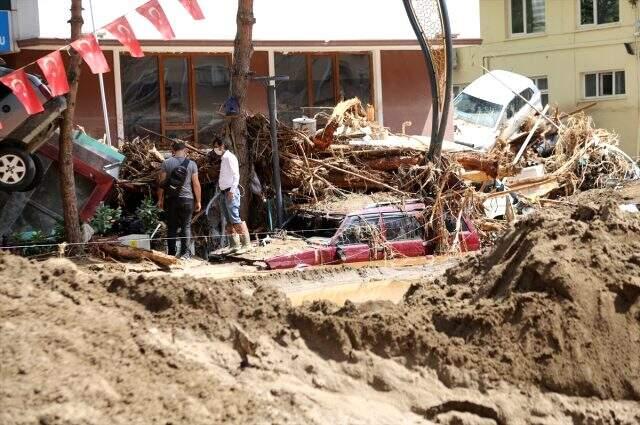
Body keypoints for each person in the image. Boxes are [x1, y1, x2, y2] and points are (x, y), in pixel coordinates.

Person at [157, 141, 201, 259]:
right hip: (187, 199)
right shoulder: (192, 164)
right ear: (185, 150)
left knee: (171, 226)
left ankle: (171, 253)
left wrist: (160, 200)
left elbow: (161, 184)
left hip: (171, 199)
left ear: (173, 150)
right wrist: (198, 201)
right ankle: (185, 254)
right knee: (186, 226)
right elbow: (196, 184)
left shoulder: (166, 163)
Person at [213, 137, 251, 254]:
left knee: (235, 218)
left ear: (222, 146)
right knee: (228, 219)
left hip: (230, 191)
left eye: (216, 146)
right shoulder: (224, 158)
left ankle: (246, 244)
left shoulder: (230, 157)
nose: (215, 149)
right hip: (224, 192)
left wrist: (232, 191)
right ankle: (234, 244)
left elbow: (236, 175)